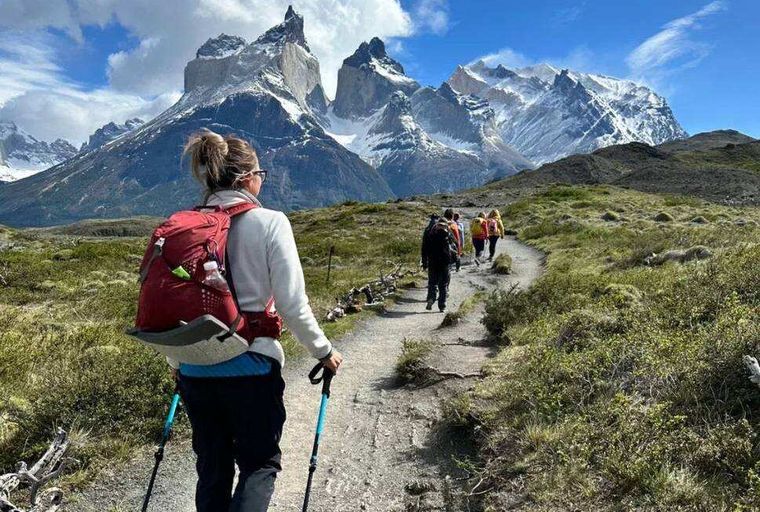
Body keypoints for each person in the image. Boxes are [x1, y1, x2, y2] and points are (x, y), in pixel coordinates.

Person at [176, 129, 343, 512]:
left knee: (213, 468)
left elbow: (175, 304)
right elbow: (291, 303)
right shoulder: (270, 222)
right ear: (247, 178)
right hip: (251, 365)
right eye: (261, 174)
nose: (261, 181)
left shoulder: (186, 226)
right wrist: (324, 352)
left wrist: (177, 362)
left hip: (194, 368)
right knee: (259, 464)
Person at [421, 216, 458, 312]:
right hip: (445, 262)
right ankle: (442, 305)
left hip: (432, 261)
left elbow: (424, 248)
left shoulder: (430, 233)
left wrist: (424, 262)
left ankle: (431, 298)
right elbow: (455, 244)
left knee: (432, 283)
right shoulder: (448, 234)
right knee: (443, 284)